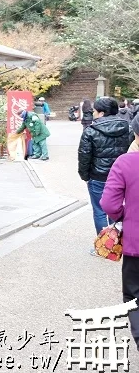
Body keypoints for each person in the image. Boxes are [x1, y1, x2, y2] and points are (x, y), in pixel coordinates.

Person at [99, 114, 139, 350]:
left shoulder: (125, 163)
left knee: (134, 297)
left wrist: (127, 215)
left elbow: (109, 204)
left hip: (136, 246)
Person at [78, 97, 134, 243]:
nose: (94, 113)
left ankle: (105, 244)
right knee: (118, 207)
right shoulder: (128, 128)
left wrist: (85, 176)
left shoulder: (90, 131)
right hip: (123, 176)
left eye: (95, 111)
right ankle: (119, 240)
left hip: (98, 176)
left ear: (102, 113)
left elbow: (84, 156)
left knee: (99, 210)